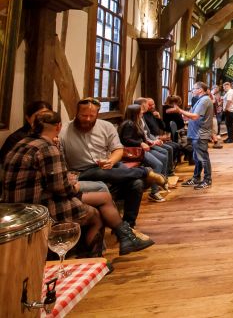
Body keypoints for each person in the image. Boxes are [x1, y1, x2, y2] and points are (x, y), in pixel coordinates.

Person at [2, 110, 154, 256]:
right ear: (58, 127)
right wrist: (73, 184)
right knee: (95, 214)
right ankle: (94, 255)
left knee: (104, 197)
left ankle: (126, 238)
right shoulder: (47, 148)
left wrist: (68, 181)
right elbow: (60, 189)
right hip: (39, 207)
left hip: (16, 205)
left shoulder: (21, 143)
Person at [60, 98, 166, 229]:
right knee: (97, 172)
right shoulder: (64, 131)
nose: (87, 119)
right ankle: (144, 172)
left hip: (110, 167)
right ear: (76, 113)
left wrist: (111, 160)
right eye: (83, 115)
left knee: (136, 184)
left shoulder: (106, 127)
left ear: (97, 114)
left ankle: (128, 225)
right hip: (82, 172)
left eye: (91, 116)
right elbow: (60, 158)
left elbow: (117, 149)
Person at [119, 104, 168, 203]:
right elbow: (125, 140)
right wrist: (140, 143)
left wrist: (147, 142)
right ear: (135, 113)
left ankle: (161, 183)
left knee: (162, 158)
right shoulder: (129, 124)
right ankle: (154, 192)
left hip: (141, 149)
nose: (142, 112)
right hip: (135, 152)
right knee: (157, 164)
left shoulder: (135, 122)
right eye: (140, 110)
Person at [174, 82, 215, 189]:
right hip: (196, 133)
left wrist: (179, 110)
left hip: (200, 134)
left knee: (203, 158)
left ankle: (207, 180)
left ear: (200, 90)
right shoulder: (201, 100)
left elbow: (195, 116)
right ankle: (196, 178)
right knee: (197, 158)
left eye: (194, 89)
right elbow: (194, 116)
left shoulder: (204, 100)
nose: (192, 90)